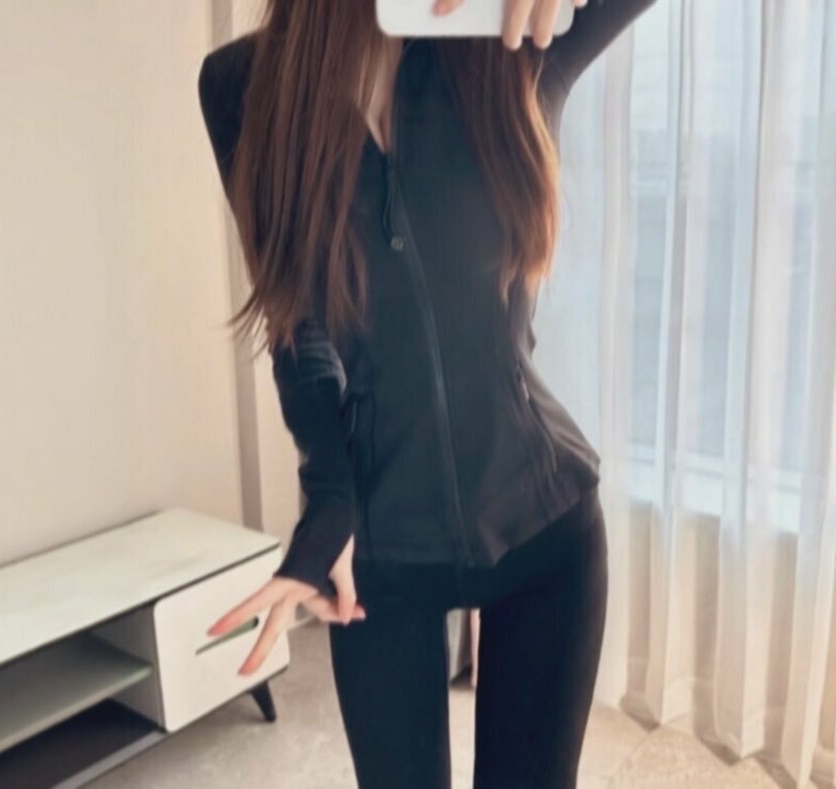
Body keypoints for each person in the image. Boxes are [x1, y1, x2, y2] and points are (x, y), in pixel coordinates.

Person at [197, 1, 652, 786]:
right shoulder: (242, 85)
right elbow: (297, 322)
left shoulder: (509, 40)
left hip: (546, 531)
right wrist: (328, 494)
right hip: (377, 561)